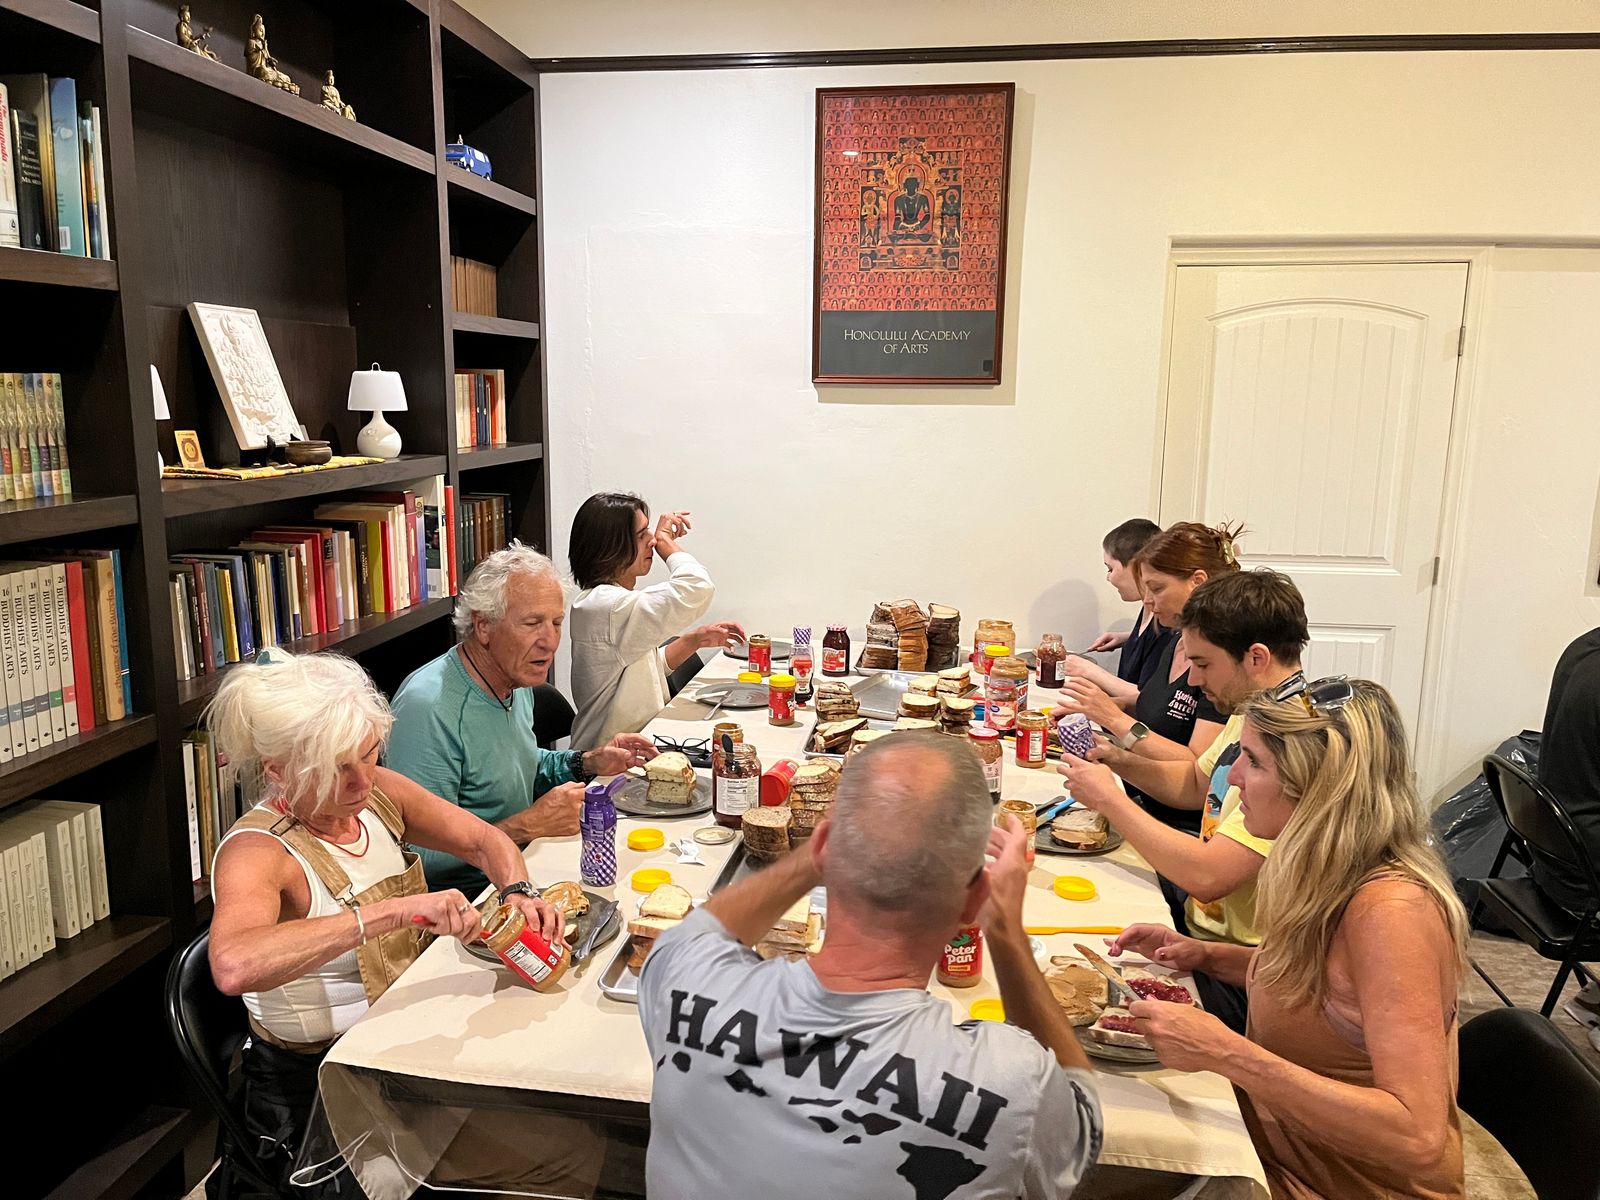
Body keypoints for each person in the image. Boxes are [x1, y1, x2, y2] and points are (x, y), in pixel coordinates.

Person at [636, 734, 1102, 1199]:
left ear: (823, 848)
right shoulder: (1015, 1084)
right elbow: (1078, 1138)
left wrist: (818, 853)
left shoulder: (685, 975)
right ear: (976, 900)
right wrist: (1005, 930)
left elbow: (704, 931)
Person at [206, 650, 563, 1195]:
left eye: (369, 756)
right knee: (524, 1162)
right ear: (278, 770)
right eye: (336, 768)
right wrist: (391, 912)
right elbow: (233, 965)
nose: (361, 782)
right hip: (320, 1084)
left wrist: (519, 892)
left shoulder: (378, 796)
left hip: (397, 1049)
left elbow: (484, 841)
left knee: (545, 1103)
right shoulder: (257, 852)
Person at [1105, 679, 1468, 1200]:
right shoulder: (1325, 871)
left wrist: (1226, 1052)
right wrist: (1207, 956)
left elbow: (1418, 1138)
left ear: (1317, 787)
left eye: (1254, 762)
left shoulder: (1392, 913)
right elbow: (1329, 991)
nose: (1233, 778)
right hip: (1268, 1145)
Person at [1057, 570, 1308, 1030]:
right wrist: (1115, 759)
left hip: (1246, 971)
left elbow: (1210, 876)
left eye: (1204, 664)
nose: (1193, 678)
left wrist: (1111, 801)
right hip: (1199, 933)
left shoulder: (1294, 742)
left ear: (1256, 657)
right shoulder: (1254, 712)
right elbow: (1197, 784)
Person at [386, 543, 656, 897]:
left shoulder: (515, 678)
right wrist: (527, 826)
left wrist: (588, 761)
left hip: (524, 870)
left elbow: (515, 765)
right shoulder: (427, 707)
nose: (550, 642)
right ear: (483, 625)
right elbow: (416, 857)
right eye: (532, 624)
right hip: (467, 903)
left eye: (556, 623)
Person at [1054, 521, 1243, 832]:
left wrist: (1113, 719)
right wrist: (1098, 714)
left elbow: (1196, 774)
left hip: (1178, 826)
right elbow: (1155, 707)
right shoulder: (1175, 641)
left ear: (1197, 582)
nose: (1147, 600)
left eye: (1156, 588)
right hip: (1145, 803)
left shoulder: (1221, 670)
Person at [568, 493, 743, 750]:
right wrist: (666, 542)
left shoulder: (602, 602)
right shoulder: (608, 606)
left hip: (632, 747)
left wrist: (693, 640)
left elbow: (640, 672)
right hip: (607, 760)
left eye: (650, 532)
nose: (651, 540)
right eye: (641, 535)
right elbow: (697, 588)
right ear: (612, 548)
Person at [1065, 518, 1169, 703]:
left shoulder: (1167, 621)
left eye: (1110, 569)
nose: (1108, 577)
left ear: (1137, 566)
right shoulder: (1149, 608)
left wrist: (1089, 671)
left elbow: (1149, 700)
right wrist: (1128, 638)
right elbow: (1150, 642)